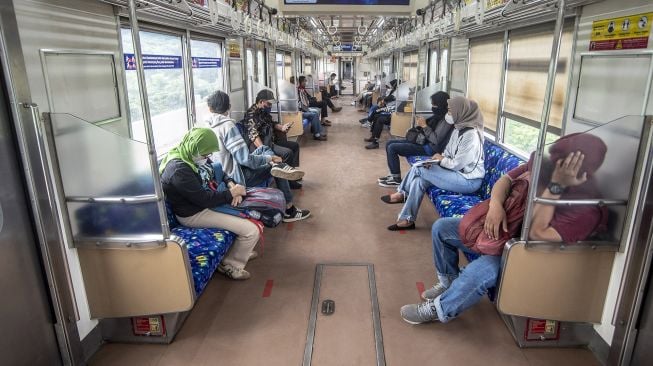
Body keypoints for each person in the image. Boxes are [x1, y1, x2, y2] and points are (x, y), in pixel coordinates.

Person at [400, 133, 609, 324]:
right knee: (442, 228)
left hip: (526, 253)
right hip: (507, 230)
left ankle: (439, 309)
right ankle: (449, 283)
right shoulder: (542, 168)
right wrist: (496, 206)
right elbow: (505, 180)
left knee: (479, 272)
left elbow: (537, 234)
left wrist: (556, 186)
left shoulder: (585, 210)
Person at [160, 128, 258, 280]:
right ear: (196, 148)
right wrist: (232, 193)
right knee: (251, 231)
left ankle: (240, 251)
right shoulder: (179, 170)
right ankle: (231, 265)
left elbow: (219, 171)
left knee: (252, 212)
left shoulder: (190, 155)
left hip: (205, 204)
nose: (208, 158)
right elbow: (204, 199)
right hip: (193, 213)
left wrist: (231, 184)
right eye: (206, 154)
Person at [381, 96, 485, 231]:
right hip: (455, 173)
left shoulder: (471, 136)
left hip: (468, 181)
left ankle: (402, 193)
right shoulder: (458, 129)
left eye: (450, 111)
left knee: (420, 170)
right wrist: (437, 160)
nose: (448, 115)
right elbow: (447, 152)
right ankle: (408, 219)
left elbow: (457, 164)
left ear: (461, 112)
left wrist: (441, 160)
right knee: (419, 180)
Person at [205, 90, 311, 222]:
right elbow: (245, 159)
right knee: (275, 169)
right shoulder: (228, 126)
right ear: (229, 107)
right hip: (236, 178)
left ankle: (279, 165)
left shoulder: (207, 126)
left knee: (264, 149)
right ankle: (289, 210)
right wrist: (269, 159)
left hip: (225, 175)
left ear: (210, 109)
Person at [377, 91, 454, 185]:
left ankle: (396, 179)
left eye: (434, 105)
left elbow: (436, 140)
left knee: (392, 147)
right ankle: (393, 174)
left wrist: (425, 126)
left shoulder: (446, 121)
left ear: (440, 105)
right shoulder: (439, 116)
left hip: (430, 149)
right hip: (425, 143)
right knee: (389, 143)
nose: (432, 107)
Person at [245, 90, 302, 181]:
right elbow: (253, 135)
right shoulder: (251, 115)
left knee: (295, 146)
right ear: (261, 101)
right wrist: (264, 149)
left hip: (271, 140)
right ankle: (289, 180)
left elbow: (271, 123)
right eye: (269, 104)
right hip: (263, 144)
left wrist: (282, 127)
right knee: (287, 153)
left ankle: (292, 173)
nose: (270, 106)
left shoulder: (263, 111)